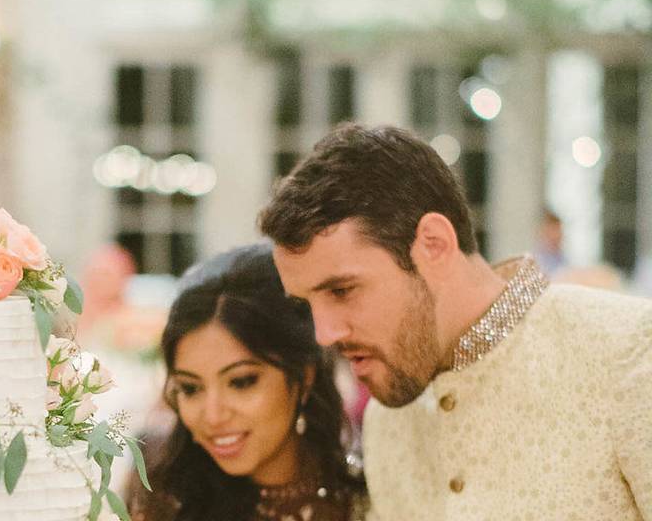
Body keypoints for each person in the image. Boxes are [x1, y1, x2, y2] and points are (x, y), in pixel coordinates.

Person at [259, 123, 652, 520]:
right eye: (306, 305)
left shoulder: (629, 352)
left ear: (434, 244)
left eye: (342, 291)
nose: (325, 333)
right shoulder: (386, 419)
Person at [131, 244, 365, 521]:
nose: (213, 415)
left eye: (241, 382)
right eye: (191, 388)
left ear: (303, 377)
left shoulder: (365, 501)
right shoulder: (164, 492)